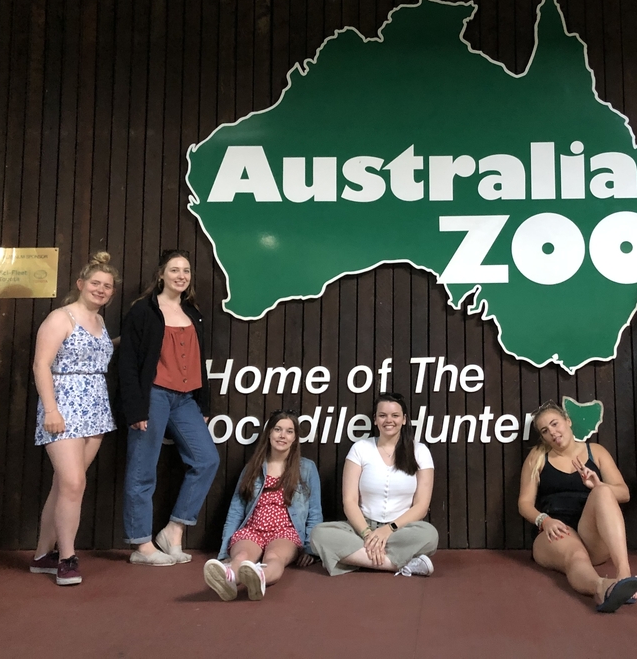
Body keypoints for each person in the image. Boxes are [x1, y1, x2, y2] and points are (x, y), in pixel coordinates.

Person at [118, 249, 219, 566]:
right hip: (154, 396)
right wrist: (135, 409)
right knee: (142, 470)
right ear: (161, 274)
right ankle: (142, 545)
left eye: (186, 270)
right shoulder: (143, 312)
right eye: (174, 270)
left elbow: (200, 362)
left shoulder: (193, 312)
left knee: (207, 460)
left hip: (186, 398)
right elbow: (128, 364)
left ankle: (173, 531)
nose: (181, 275)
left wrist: (203, 401)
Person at [30, 252, 121, 586]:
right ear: (81, 284)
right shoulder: (60, 317)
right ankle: (67, 558)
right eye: (95, 283)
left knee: (65, 484)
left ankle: (42, 554)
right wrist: (51, 410)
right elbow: (41, 364)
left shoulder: (99, 322)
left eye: (107, 286)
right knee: (73, 483)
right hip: (64, 406)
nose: (100, 289)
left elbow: (94, 350)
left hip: (95, 407)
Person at [517, 401, 637, 613]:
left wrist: (598, 485)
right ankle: (602, 587)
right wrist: (544, 521)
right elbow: (524, 503)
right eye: (545, 431)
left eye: (555, 424)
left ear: (568, 421)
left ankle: (623, 574)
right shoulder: (537, 457)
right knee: (575, 555)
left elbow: (624, 493)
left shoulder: (596, 452)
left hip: (591, 531)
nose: (553, 433)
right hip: (556, 531)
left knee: (602, 492)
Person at [310, 392, 438, 577]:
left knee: (429, 536)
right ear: (375, 420)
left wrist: (388, 530)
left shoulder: (420, 451)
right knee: (318, 535)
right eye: (382, 415)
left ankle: (360, 558)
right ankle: (398, 564)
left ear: (404, 419)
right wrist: (368, 534)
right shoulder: (360, 448)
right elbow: (350, 501)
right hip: (361, 527)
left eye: (395, 415)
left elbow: (421, 506)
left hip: (401, 529)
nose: (389, 420)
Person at [204, 410, 323, 601]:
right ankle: (229, 579)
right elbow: (236, 509)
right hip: (252, 529)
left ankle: (259, 578)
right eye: (277, 429)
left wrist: (311, 549)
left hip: (285, 532)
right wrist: (223, 550)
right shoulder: (254, 466)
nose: (282, 435)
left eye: (289, 431)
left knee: (274, 557)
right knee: (241, 556)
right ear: (269, 433)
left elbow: (315, 513)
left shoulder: (306, 468)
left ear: (295, 438)